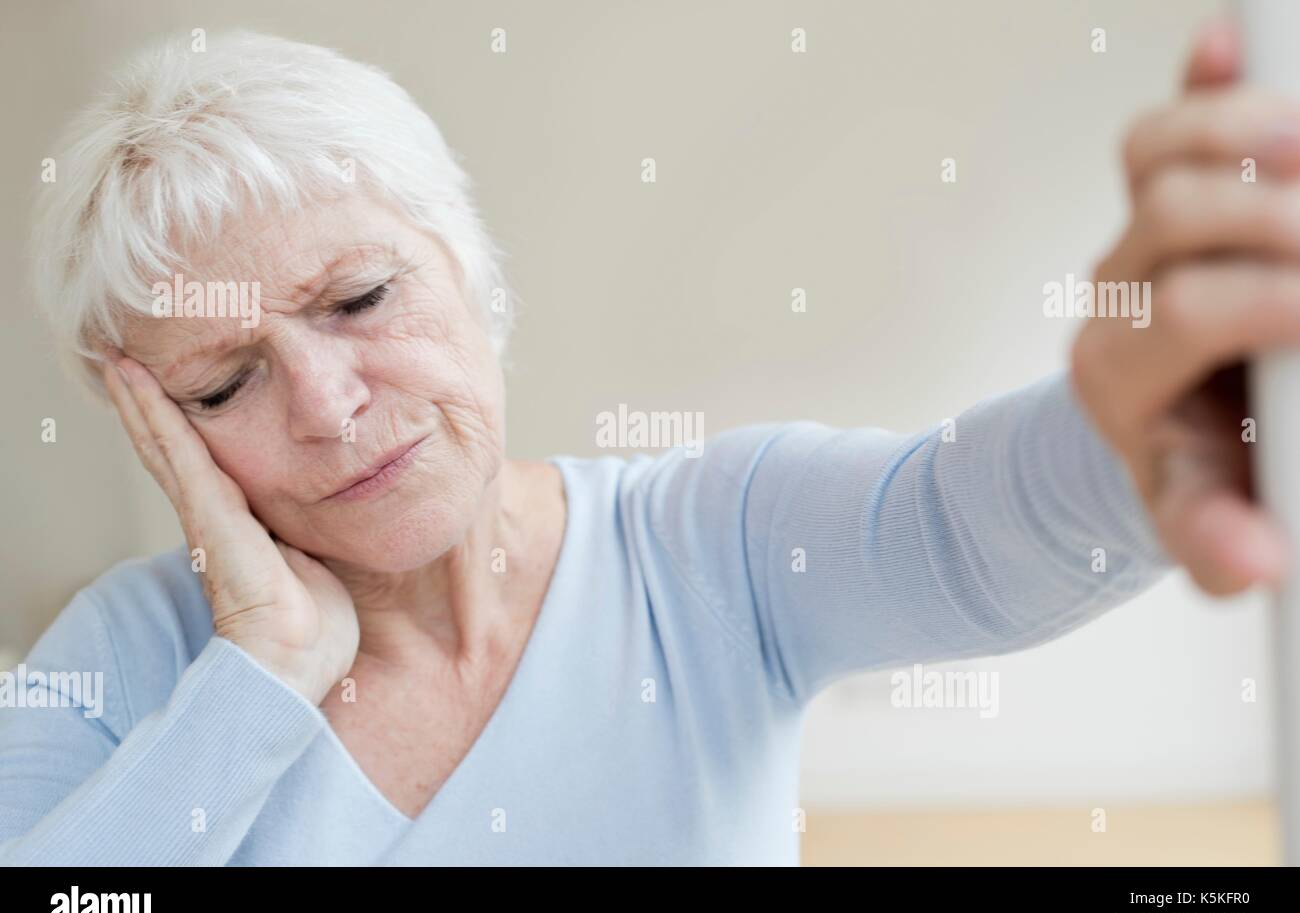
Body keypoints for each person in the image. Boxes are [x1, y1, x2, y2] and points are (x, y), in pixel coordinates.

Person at [1, 18, 1286, 864]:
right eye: (225, 384)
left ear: (473, 271)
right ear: (156, 432)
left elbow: (957, 520)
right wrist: (260, 673)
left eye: (360, 299)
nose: (329, 404)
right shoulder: (127, 658)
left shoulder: (708, 543)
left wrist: (1137, 427)